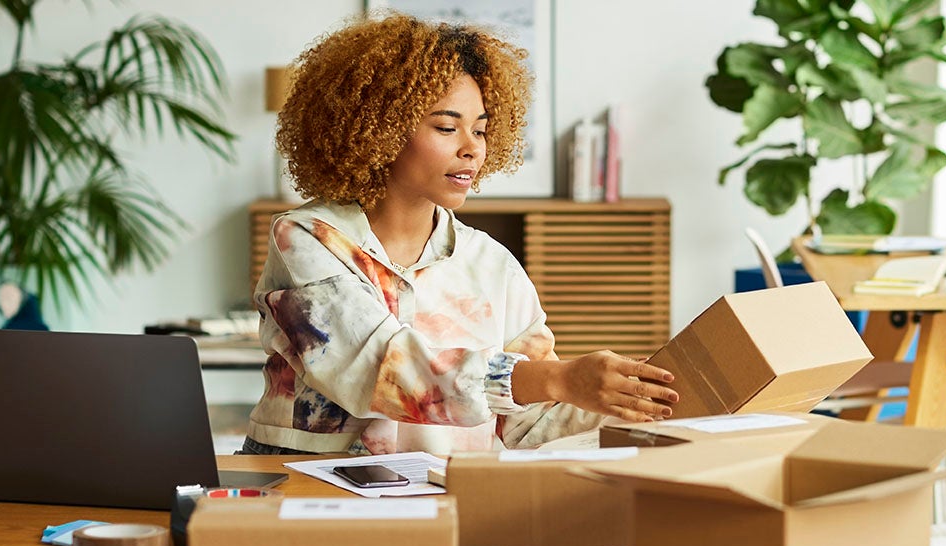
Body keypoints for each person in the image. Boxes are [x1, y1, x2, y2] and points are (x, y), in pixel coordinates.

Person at [242, 12, 677, 456]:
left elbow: (530, 422)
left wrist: (634, 397)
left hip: (442, 487)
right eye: (447, 128)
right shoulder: (308, 238)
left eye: (481, 130)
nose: (472, 148)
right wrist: (560, 377)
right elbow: (381, 368)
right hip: (307, 485)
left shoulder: (493, 265)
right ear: (382, 129)